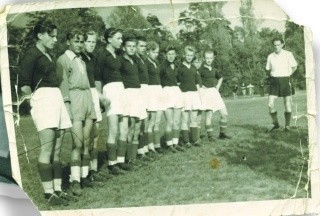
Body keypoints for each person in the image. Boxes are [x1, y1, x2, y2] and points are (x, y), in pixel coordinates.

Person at [19, 20, 72, 205]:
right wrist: (36, 102)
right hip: (43, 99)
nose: (56, 39)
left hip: (56, 97)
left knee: (57, 148)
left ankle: (58, 189)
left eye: (56, 36)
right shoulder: (31, 55)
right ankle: (48, 194)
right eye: (52, 36)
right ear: (40, 35)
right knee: (47, 147)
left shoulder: (48, 55)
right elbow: (24, 85)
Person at [57, 28, 96, 196]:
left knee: (87, 142)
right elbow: (63, 84)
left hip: (87, 97)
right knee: (77, 142)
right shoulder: (63, 60)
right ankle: (75, 181)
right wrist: (67, 105)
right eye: (76, 41)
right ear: (68, 42)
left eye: (82, 41)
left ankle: (85, 175)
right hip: (74, 99)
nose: (80, 45)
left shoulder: (82, 60)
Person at [97, 28, 129, 175]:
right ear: (109, 39)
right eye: (118, 38)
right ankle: (112, 164)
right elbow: (97, 79)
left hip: (121, 90)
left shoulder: (118, 55)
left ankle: (121, 161)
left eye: (122, 38)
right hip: (110, 91)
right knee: (114, 129)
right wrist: (100, 98)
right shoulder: (102, 54)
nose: (121, 41)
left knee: (124, 128)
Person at [80, 30, 110, 181]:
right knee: (85, 137)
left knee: (96, 135)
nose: (91, 45)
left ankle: (93, 170)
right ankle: (83, 174)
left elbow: (96, 81)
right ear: (83, 43)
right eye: (88, 42)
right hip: (84, 97)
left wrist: (100, 98)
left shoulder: (93, 59)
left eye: (93, 42)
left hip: (94, 95)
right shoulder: (79, 58)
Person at [120, 36, 148, 168]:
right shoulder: (121, 61)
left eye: (133, 46)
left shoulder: (136, 60)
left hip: (138, 93)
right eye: (128, 46)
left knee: (138, 125)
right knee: (130, 126)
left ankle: (133, 157)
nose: (131, 48)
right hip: (128, 94)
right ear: (123, 47)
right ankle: (127, 158)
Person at [266, 38, 297, 131]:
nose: (276, 47)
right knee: (270, 104)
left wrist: (288, 74)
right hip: (274, 81)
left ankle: (287, 126)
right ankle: (276, 124)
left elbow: (294, 66)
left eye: (278, 45)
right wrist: (272, 76)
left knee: (287, 104)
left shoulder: (288, 54)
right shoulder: (270, 56)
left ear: (282, 44)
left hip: (285, 80)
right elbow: (268, 69)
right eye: (275, 45)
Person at [199, 49, 231, 140]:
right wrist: (202, 87)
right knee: (209, 115)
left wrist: (217, 86)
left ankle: (222, 134)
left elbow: (220, 78)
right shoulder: (201, 70)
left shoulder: (214, 70)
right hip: (206, 93)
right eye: (207, 58)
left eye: (210, 58)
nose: (209, 60)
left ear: (213, 58)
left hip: (215, 93)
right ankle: (210, 136)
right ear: (204, 59)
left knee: (224, 114)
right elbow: (196, 80)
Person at [159, 45, 185, 153]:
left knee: (177, 120)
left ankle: (175, 143)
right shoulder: (161, 66)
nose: (171, 56)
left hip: (176, 92)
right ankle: (169, 145)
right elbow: (159, 81)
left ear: (175, 55)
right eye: (169, 54)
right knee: (169, 121)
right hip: (166, 93)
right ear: (165, 55)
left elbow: (178, 80)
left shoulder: (176, 66)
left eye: (173, 54)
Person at [133, 36, 154, 162]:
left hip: (146, 91)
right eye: (141, 46)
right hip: (138, 90)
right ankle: (138, 151)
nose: (144, 48)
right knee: (139, 122)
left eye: (145, 46)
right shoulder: (134, 60)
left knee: (146, 120)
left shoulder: (142, 59)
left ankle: (144, 148)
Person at [178, 46, 202, 147]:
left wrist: (199, 95)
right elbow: (178, 83)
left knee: (193, 118)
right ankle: (186, 141)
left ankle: (195, 140)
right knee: (185, 118)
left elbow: (197, 83)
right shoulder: (179, 68)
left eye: (191, 56)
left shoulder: (193, 68)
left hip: (194, 94)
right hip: (184, 94)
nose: (189, 57)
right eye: (187, 55)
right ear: (184, 55)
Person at [145, 41, 165, 156]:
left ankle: (157, 145)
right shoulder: (146, 63)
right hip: (151, 91)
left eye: (157, 52)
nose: (156, 54)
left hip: (158, 91)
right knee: (151, 121)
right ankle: (150, 146)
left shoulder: (156, 62)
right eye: (153, 52)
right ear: (148, 52)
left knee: (157, 120)